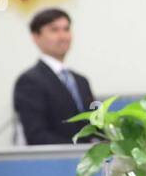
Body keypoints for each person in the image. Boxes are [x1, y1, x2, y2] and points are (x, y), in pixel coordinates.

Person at [13, 8, 96, 145]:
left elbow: (95, 122)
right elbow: (36, 136)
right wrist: (78, 149)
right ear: (36, 37)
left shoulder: (81, 81)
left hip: (88, 162)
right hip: (56, 162)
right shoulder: (29, 82)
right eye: (54, 30)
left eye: (66, 29)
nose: (63, 36)